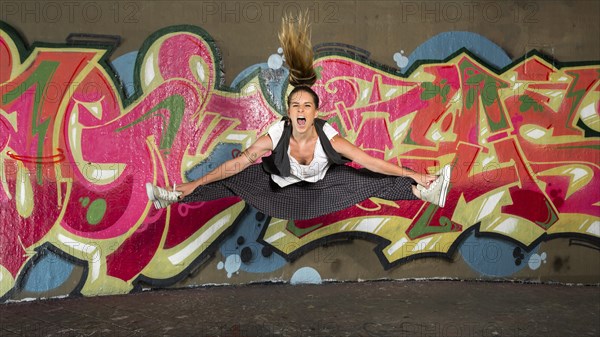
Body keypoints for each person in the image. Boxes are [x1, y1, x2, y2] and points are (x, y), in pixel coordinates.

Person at [146, 13, 452, 220]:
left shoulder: (327, 135)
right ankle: (173, 195)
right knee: (235, 177)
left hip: (322, 193)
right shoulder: (277, 134)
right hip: (279, 194)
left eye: (307, 106)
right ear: (288, 112)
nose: (301, 111)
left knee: (368, 177)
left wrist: (412, 173)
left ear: (315, 113)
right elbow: (238, 161)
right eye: (296, 106)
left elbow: (370, 160)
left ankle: (424, 190)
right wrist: (192, 184)